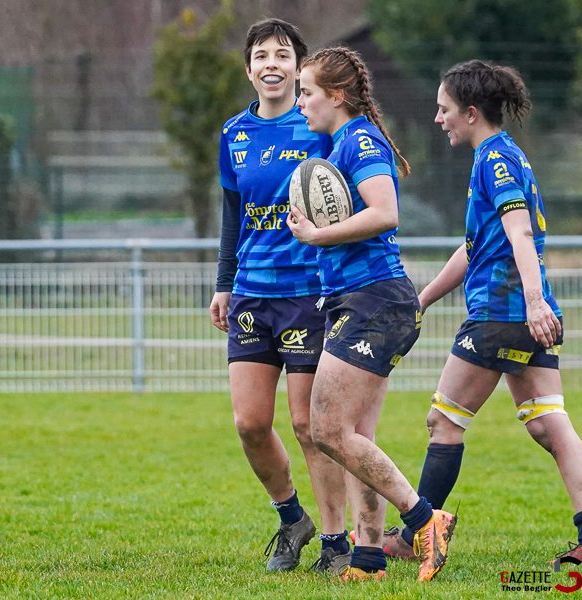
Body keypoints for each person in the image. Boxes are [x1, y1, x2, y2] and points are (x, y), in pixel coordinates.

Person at [380, 59, 582, 566]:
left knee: (443, 422)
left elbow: (519, 232)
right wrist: (422, 299)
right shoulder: (502, 156)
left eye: (444, 110)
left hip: (501, 314)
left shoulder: (496, 161)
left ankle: (415, 534)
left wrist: (531, 302)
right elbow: (475, 249)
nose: (438, 118)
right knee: (548, 424)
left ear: (470, 113)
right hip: (524, 313)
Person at [286, 46, 457, 582]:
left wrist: (317, 234)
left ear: (336, 96)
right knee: (356, 433)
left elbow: (385, 213)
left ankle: (427, 519)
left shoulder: (358, 140)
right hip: (361, 300)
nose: (301, 103)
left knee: (328, 429)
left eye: (307, 92)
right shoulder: (339, 142)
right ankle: (367, 556)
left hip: (375, 301)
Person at [209, 19, 352, 573]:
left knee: (308, 425)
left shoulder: (319, 125)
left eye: (283, 54)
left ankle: (337, 544)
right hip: (250, 295)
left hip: (307, 294)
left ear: (299, 66)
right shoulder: (233, 135)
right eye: (261, 55)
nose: (272, 63)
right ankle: (293, 518)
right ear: (248, 69)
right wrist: (224, 283)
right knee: (249, 423)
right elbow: (232, 215)